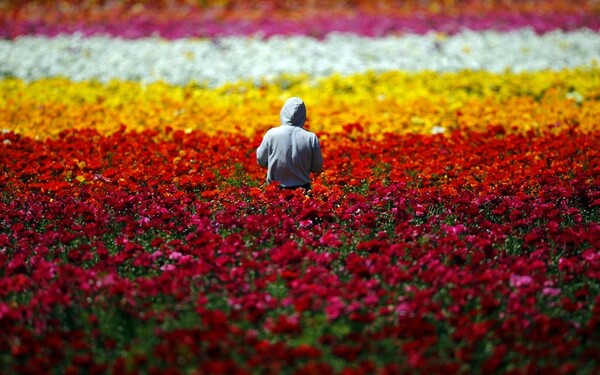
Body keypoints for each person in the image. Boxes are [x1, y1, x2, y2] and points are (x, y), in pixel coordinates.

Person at [257, 97, 323, 191]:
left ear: (283, 112)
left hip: (275, 191)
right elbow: (317, 167)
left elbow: (261, 160)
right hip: (302, 192)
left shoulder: (271, 134)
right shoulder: (311, 137)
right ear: (303, 115)